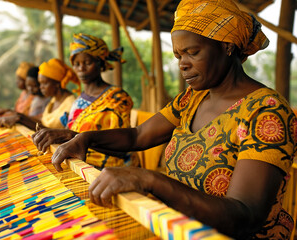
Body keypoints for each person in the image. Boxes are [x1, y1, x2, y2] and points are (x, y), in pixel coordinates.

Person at [47, 0, 297, 239]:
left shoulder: (265, 111)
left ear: (227, 46)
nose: (183, 64)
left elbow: (244, 215)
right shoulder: (191, 99)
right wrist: (82, 138)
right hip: (174, 228)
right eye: (178, 56)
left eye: (193, 52)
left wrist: (149, 179)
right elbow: (138, 135)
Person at [32, 34, 133, 169]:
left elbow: (122, 148)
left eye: (87, 63)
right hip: (79, 167)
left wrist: (73, 137)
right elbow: (71, 135)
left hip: (107, 172)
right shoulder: (80, 99)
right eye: (76, 64)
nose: (81, 69)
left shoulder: (117, 98)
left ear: (100, 62)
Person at [0, 58, 80, 130]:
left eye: (44, 83)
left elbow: (62, 133)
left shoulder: (70, 104)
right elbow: (42, 122)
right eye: (40, 83)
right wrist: (17, 116)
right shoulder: (54, 100)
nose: (41, 87)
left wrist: (20, 118)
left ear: (56, 84)